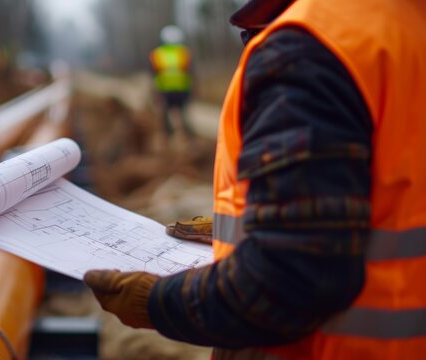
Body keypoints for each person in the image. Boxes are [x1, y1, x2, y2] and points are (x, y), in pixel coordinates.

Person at [84, 0, 426, 358]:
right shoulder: (404, 22)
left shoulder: (309, 48)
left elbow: (289, 280)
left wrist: (153, 303)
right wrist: (260, 223)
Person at [150, 25, 195, 139]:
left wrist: (154, 91)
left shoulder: (157, 54)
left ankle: (169, 137)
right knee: (182, 114)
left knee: (165, 116)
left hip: (164, 89)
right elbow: (191, 71)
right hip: (182, 88)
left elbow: (153, 74)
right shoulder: (184, 52)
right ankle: (184, 136)